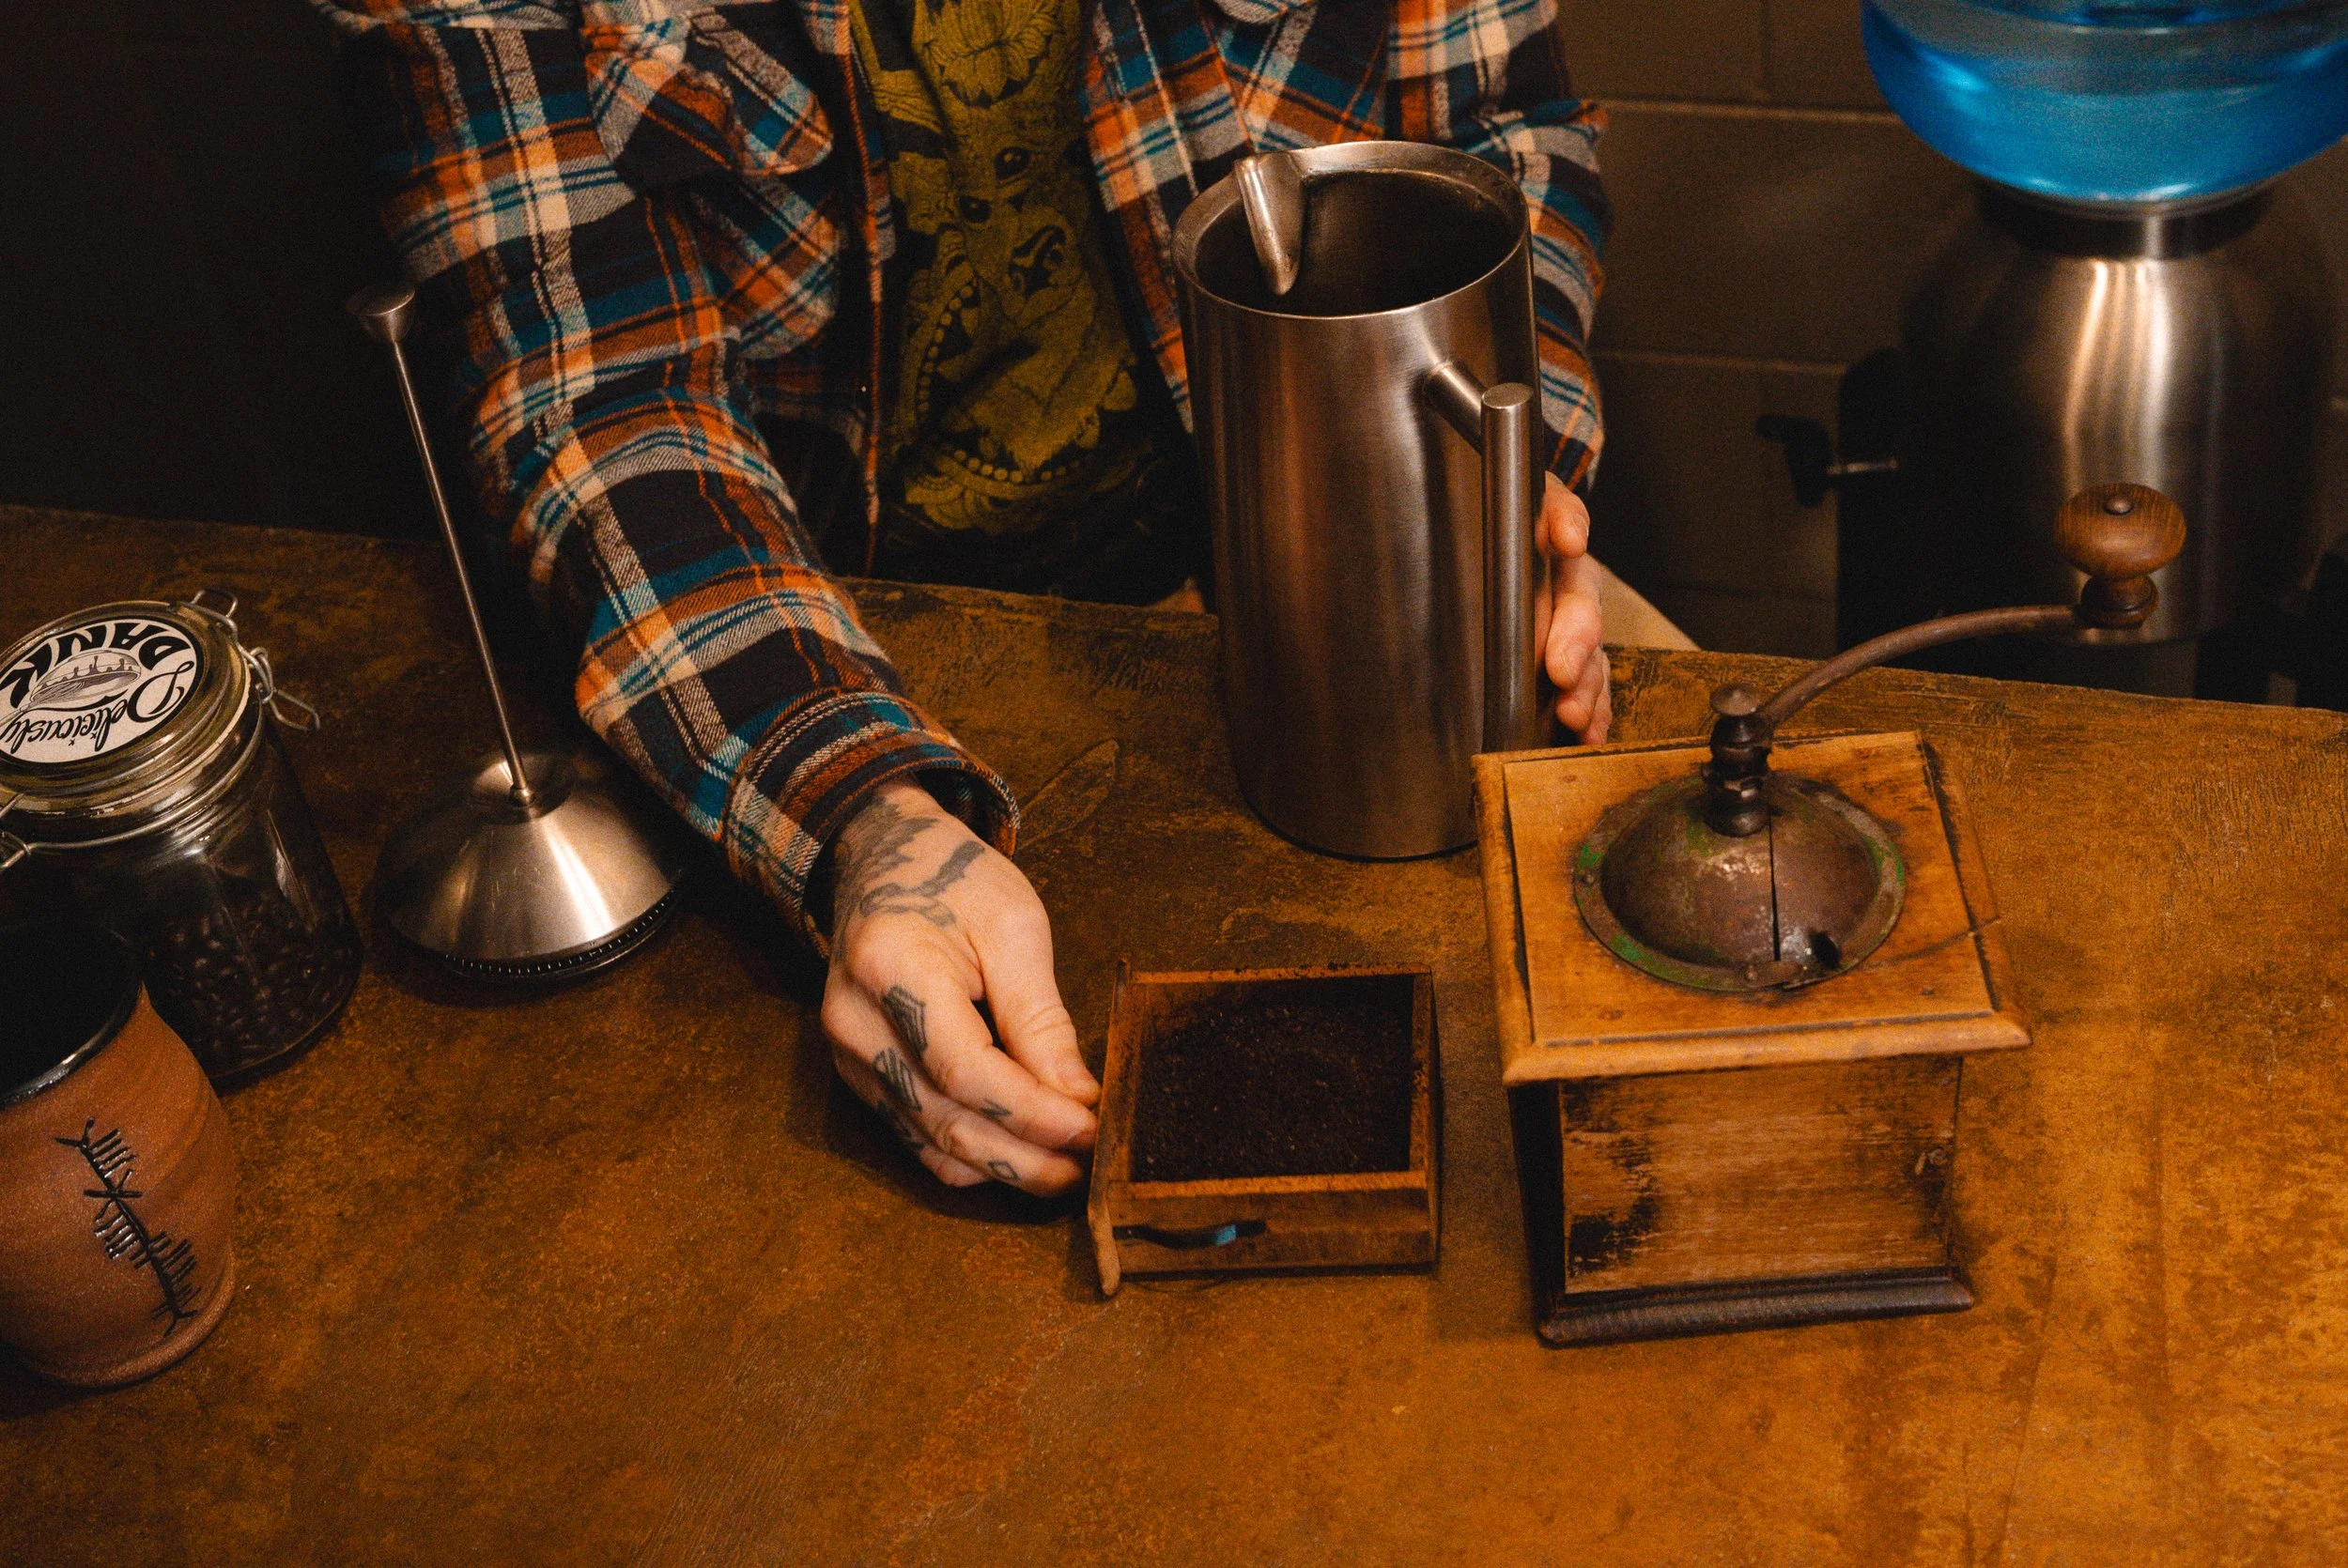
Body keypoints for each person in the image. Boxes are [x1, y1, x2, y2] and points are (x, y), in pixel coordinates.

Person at [313, 0, 1612, 1197]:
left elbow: (1505, 134)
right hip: (827, 638)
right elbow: (600, 393)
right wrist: (863, 814)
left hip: (1314, 553)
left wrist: (1505, 490)